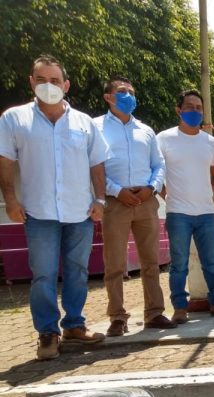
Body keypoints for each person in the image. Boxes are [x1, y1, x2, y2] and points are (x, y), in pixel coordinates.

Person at [0, 55, 108, 360]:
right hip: (39, 212)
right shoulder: (14, 119)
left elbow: (97, 163)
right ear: (32, 82)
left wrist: (100, 199)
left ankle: (74, 324)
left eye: (55, 80)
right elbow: (5, 162)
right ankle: (48, 332)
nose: (49, 86)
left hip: (80, 212)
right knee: (44, 275)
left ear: (66, 84)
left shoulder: (84, 123)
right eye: (42, 80)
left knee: (78, 271)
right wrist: (10, 198)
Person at [94, 76, 176, 337]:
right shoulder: (95, 127)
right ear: (108, 97)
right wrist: (117, 191)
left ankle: (154, 312)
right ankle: (117, 317)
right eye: (122, 92)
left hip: (146, 200)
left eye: (131, 91)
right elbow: (93, 166)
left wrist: (152, 187)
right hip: (115, 202)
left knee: (151, 261)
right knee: (115, 263)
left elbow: (159, 163)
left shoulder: (146, 130)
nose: (128, 95)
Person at [157, 89, 214, 324]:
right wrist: (168, 196)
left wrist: (206, 192)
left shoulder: (209, 143)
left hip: (206, 212)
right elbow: (156, 173)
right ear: (178, 110)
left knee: (211, 261)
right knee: (179, 264)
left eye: (198, 108)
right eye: (189, 107)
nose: (194, 111)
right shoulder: (164, 139)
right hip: (178, 213)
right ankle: (180, 307)